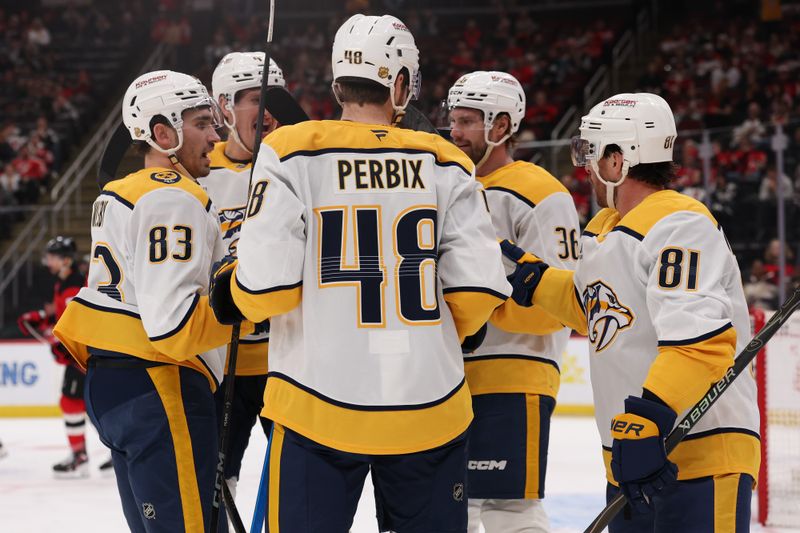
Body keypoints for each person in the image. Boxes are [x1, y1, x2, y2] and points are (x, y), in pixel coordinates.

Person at [209, 14, 511, 532]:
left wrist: (229, 291)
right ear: (399, 84)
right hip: (428, 404)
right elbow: (477, 292)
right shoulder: (446, 158)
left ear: (337, 83)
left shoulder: (291, 150)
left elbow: (267, 288)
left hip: (316, 405)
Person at [502, 93, 759, 532]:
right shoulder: (605, 228)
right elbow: (600, 314)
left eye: (591, 152)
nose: (584, 166)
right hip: (633, 457)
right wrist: (538, 282)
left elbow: (699, 344)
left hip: (696, 457)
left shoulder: (679, 223)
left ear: (618, 160)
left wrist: (647, 416)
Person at [54, 70, 253, 533]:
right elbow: (173, 327)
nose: (215, 134)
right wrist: (243, 300)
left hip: (113, 387)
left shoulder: (120, 193)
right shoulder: (173, 197)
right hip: (160, 385)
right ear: (162, 133)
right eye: (203, 123)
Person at [444, 71, 580, 533]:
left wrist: (483, 307)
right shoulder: (449, 185)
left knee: (509, 509)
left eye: (466, 122)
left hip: (513, 373)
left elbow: (561, 304)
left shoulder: (541, 193)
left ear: (501, 126)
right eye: (453, 121)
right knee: (453, 508)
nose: (455, 132)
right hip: (448, 376)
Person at [198, 51, 287, 501]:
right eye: (256, 98)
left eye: (276, 97)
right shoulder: (194, 171)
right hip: (220, 367)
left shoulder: (298, 166)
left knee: (298, 493)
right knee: (215, 495)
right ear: (223, 107)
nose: (269, 110)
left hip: (288, 362)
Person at [17, 236, 112, 477]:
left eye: (52, 257)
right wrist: (46, 319)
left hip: (80, 358)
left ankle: (84, 455)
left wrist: (58, 339)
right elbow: (63, 317)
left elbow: (76, 324)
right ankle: (105, 452)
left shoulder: (72, 285)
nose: (47, 260)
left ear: (66, 260)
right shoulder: (64, 283)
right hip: (79, 356)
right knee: (83, 405)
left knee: (75, 403)